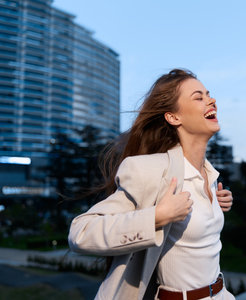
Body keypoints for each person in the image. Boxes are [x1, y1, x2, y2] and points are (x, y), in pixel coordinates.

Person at [68, 69, 235, 300]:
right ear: (174, 117)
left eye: (208, 94)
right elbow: (81, 233)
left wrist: (213, 205)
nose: (211, 100)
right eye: (199, 97)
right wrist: (157, 216)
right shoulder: (150, 170)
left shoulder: (209, 175)